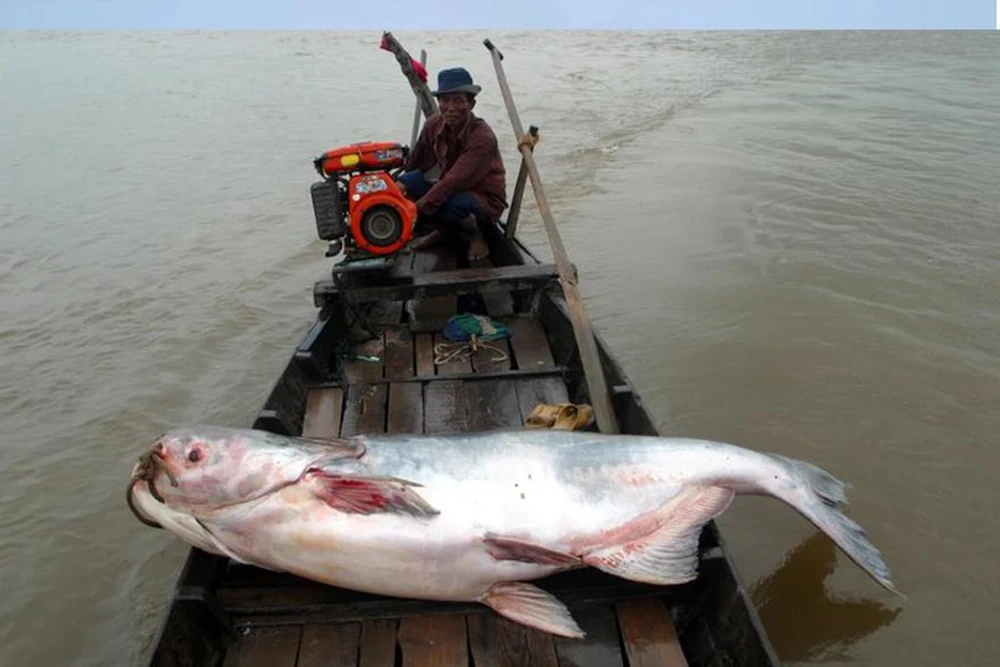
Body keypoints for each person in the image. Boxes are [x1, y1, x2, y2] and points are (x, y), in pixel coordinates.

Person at [396, 67, 507, 262]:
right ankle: (442, 230)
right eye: (445, 101)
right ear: (439, 103)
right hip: (448, 186)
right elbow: (416, 163)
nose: (451, 107)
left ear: (471, 104)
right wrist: (396, 190)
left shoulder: (483, 137)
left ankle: (477, 235)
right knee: (406, 182)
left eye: (458, 100)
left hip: (481, 199)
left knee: (454, 204)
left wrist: (415, 210)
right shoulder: (433, 124)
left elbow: (455, 181)